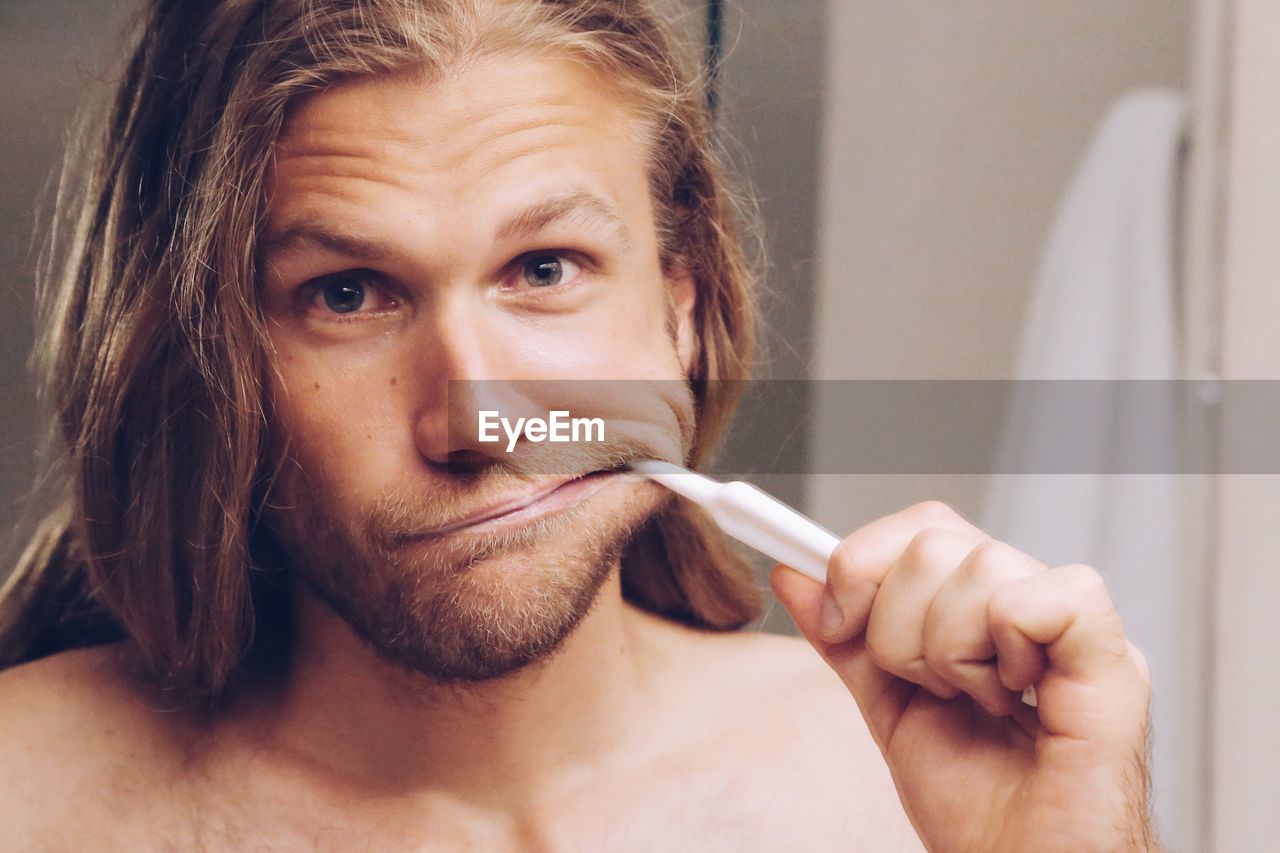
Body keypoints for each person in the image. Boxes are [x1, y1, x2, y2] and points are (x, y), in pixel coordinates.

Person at [0, 1, 1156, 849]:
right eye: (345, 293)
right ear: (208, 363)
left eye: (543, 267)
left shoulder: (894, 796)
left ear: (680, 310)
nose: (479, 420)